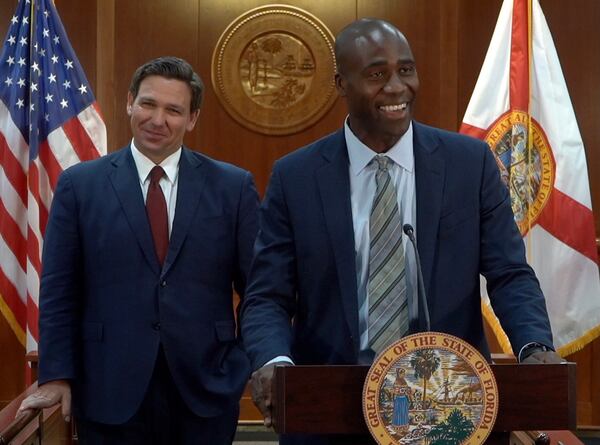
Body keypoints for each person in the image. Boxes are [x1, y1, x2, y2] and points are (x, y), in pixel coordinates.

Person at [240, 18, 563, 444]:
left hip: (450, 403)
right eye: (377, 75)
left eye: (405, 70)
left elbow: (509, 273)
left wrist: (533, 345)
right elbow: (267, 296)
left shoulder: (470, 165)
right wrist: (273, 359)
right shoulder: (296, 177)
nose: (396, 87)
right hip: (331, 408)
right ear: (341, 83)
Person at [17, 56, 259, 444]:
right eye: (148, 104)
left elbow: (259, 290)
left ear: (192, 118)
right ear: (130, 102)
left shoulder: (233, 188)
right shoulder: (80, 186)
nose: (157, 119)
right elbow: (60, 289)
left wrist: (244, 361)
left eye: (173, 110)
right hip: (107, 389)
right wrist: (58, 375)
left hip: (206, 389)